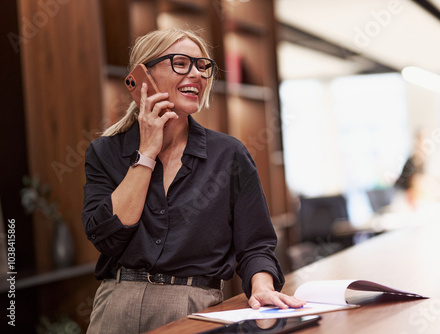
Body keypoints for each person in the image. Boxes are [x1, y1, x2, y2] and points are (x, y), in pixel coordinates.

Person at [82, 28, 305, 333]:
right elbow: (108, 237)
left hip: (193, 304)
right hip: (117, 303)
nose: (197, 74)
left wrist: (262, 285)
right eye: (181, 63)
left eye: (202, 66)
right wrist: (146, 153)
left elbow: (255, 245)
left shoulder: (228, 155)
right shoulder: (105, 152)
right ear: (142, 75)